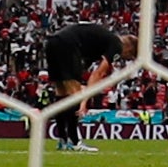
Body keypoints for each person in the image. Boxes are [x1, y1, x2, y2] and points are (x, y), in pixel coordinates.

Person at [42, 22, 138, 154]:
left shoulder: (100, 42)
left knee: (61, 91)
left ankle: (63, 140)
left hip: (52, 42)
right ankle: (75, 142)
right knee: (73, 93)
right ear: (129, 49)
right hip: (68, 45)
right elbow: (98, 74)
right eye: (130, 56)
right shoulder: (117, 45)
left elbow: (85, 71)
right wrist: (83, 101)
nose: (124, 58)